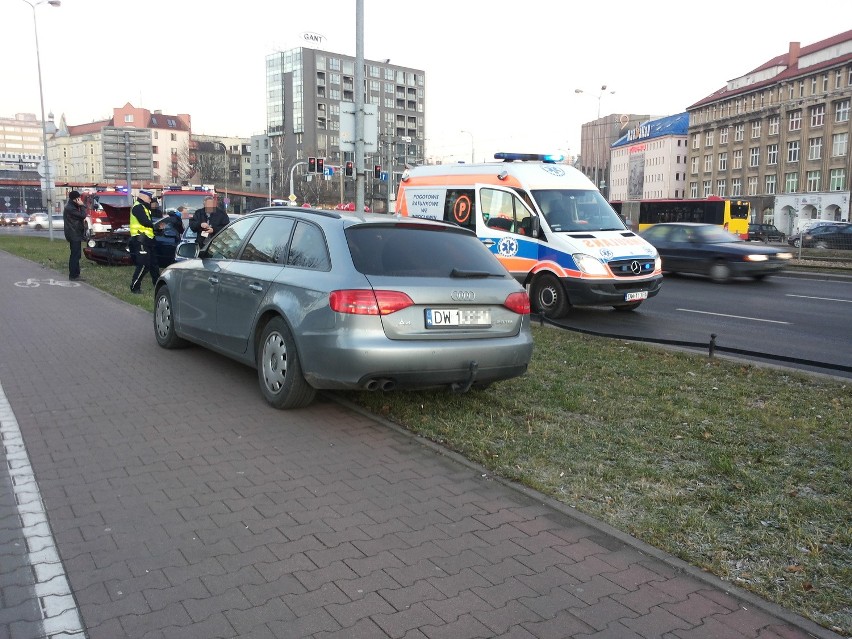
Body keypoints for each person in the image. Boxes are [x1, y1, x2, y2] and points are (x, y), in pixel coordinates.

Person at [129, 189, 160, 294]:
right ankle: (135, 286)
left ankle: (158, 285)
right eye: (149, 197)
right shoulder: (138, 207)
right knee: (143, 264)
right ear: (143, 197)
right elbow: (145, 222)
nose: (150, 200)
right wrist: (157, 224)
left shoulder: (144, 207)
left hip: (148, 240)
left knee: (154, 264)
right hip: (141, 240)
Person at [63, 190, 87, 281]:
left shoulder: (72, 206)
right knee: (75, 255)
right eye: (78, 198)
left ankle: (76, 274)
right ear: (75, 199)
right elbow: (83, 215)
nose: (80, 199)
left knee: (77, 255)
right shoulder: (70, 208)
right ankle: (73, 275)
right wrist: (82, 205)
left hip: (75, 233)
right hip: (73, 234)